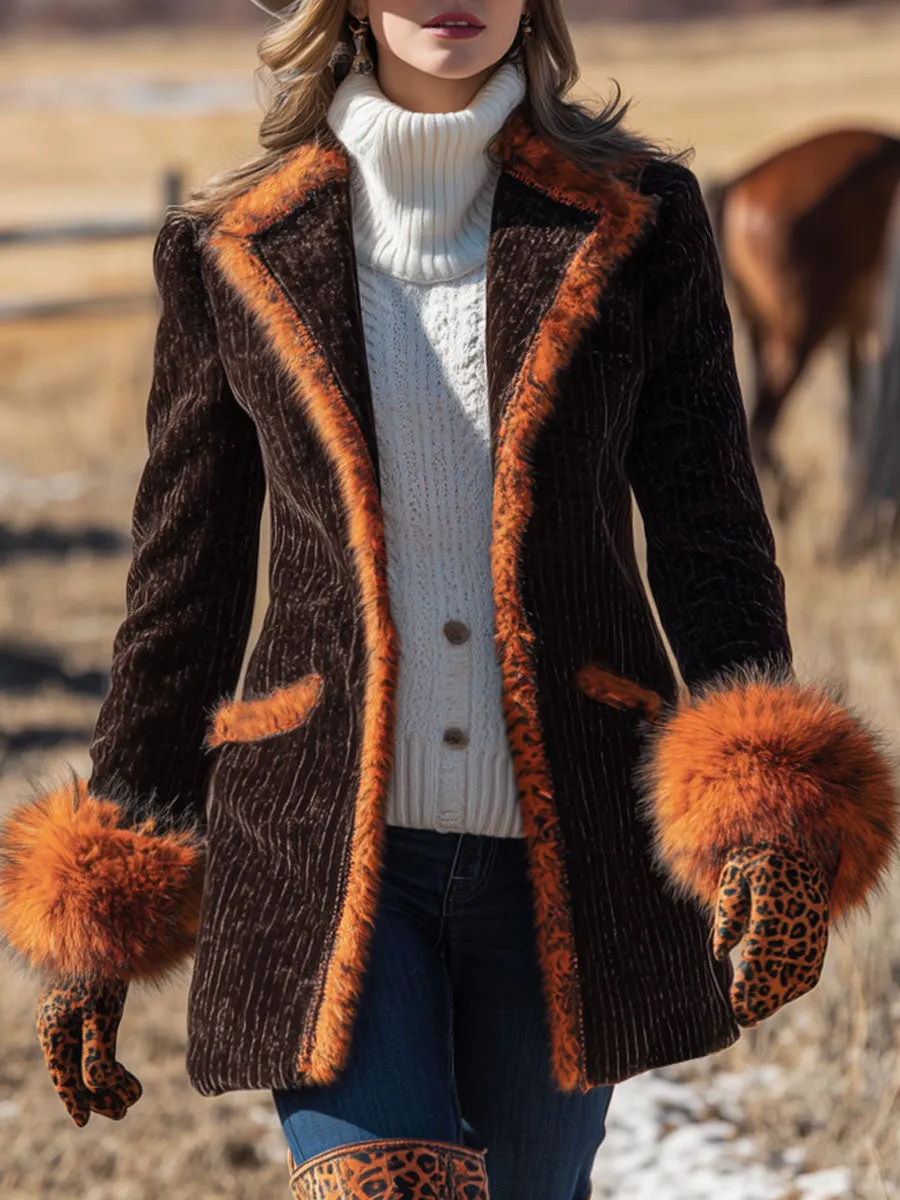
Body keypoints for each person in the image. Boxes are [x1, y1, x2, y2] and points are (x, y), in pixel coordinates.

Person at [1, 3, 897, 1198]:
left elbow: (711, 531)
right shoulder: (231, 246)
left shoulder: (642, 218)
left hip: (574, 852)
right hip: (322, 865)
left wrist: (769, 806)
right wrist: (103, 891)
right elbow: (184, 591)